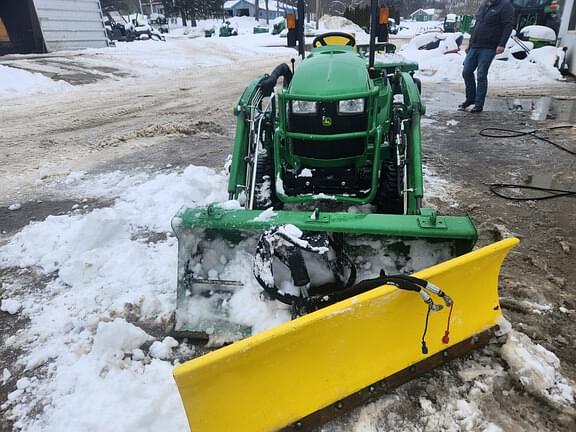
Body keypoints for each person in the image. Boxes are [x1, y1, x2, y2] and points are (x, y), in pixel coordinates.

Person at [459, 0, 514, 113]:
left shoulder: (505, 6)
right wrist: (470, 42)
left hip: (489, 47)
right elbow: (477, 25)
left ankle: (479, 104)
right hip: (475, 45)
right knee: (466, 72)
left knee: (481, 74)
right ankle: (470, 99)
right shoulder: (484, 5)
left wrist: (502, 44)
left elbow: (508, 26)